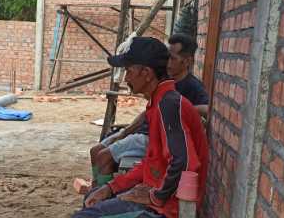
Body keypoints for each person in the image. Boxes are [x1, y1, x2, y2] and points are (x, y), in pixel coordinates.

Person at [49, 37, 208, 218]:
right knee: (92, 200)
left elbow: (185, 162)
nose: (125, 78)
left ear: (146, 73)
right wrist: (111, 188)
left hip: (169, 210)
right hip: (163, 199)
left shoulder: (169, 105)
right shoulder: (161, 102)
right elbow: (151, 165)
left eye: (129, 71)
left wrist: (155, 196)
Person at [89, 32, 209, 186]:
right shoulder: (162, 94)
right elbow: (148, 115)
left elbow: (182, 163)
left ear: (187, 62)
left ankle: (99, 190)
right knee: (97, 151)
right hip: (149, 141)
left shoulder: (176, 98)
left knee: (103, 156)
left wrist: (154, 196)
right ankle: (97, 186)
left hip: (164, 195)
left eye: (172, 58)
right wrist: (125, 132)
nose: (168, 63)